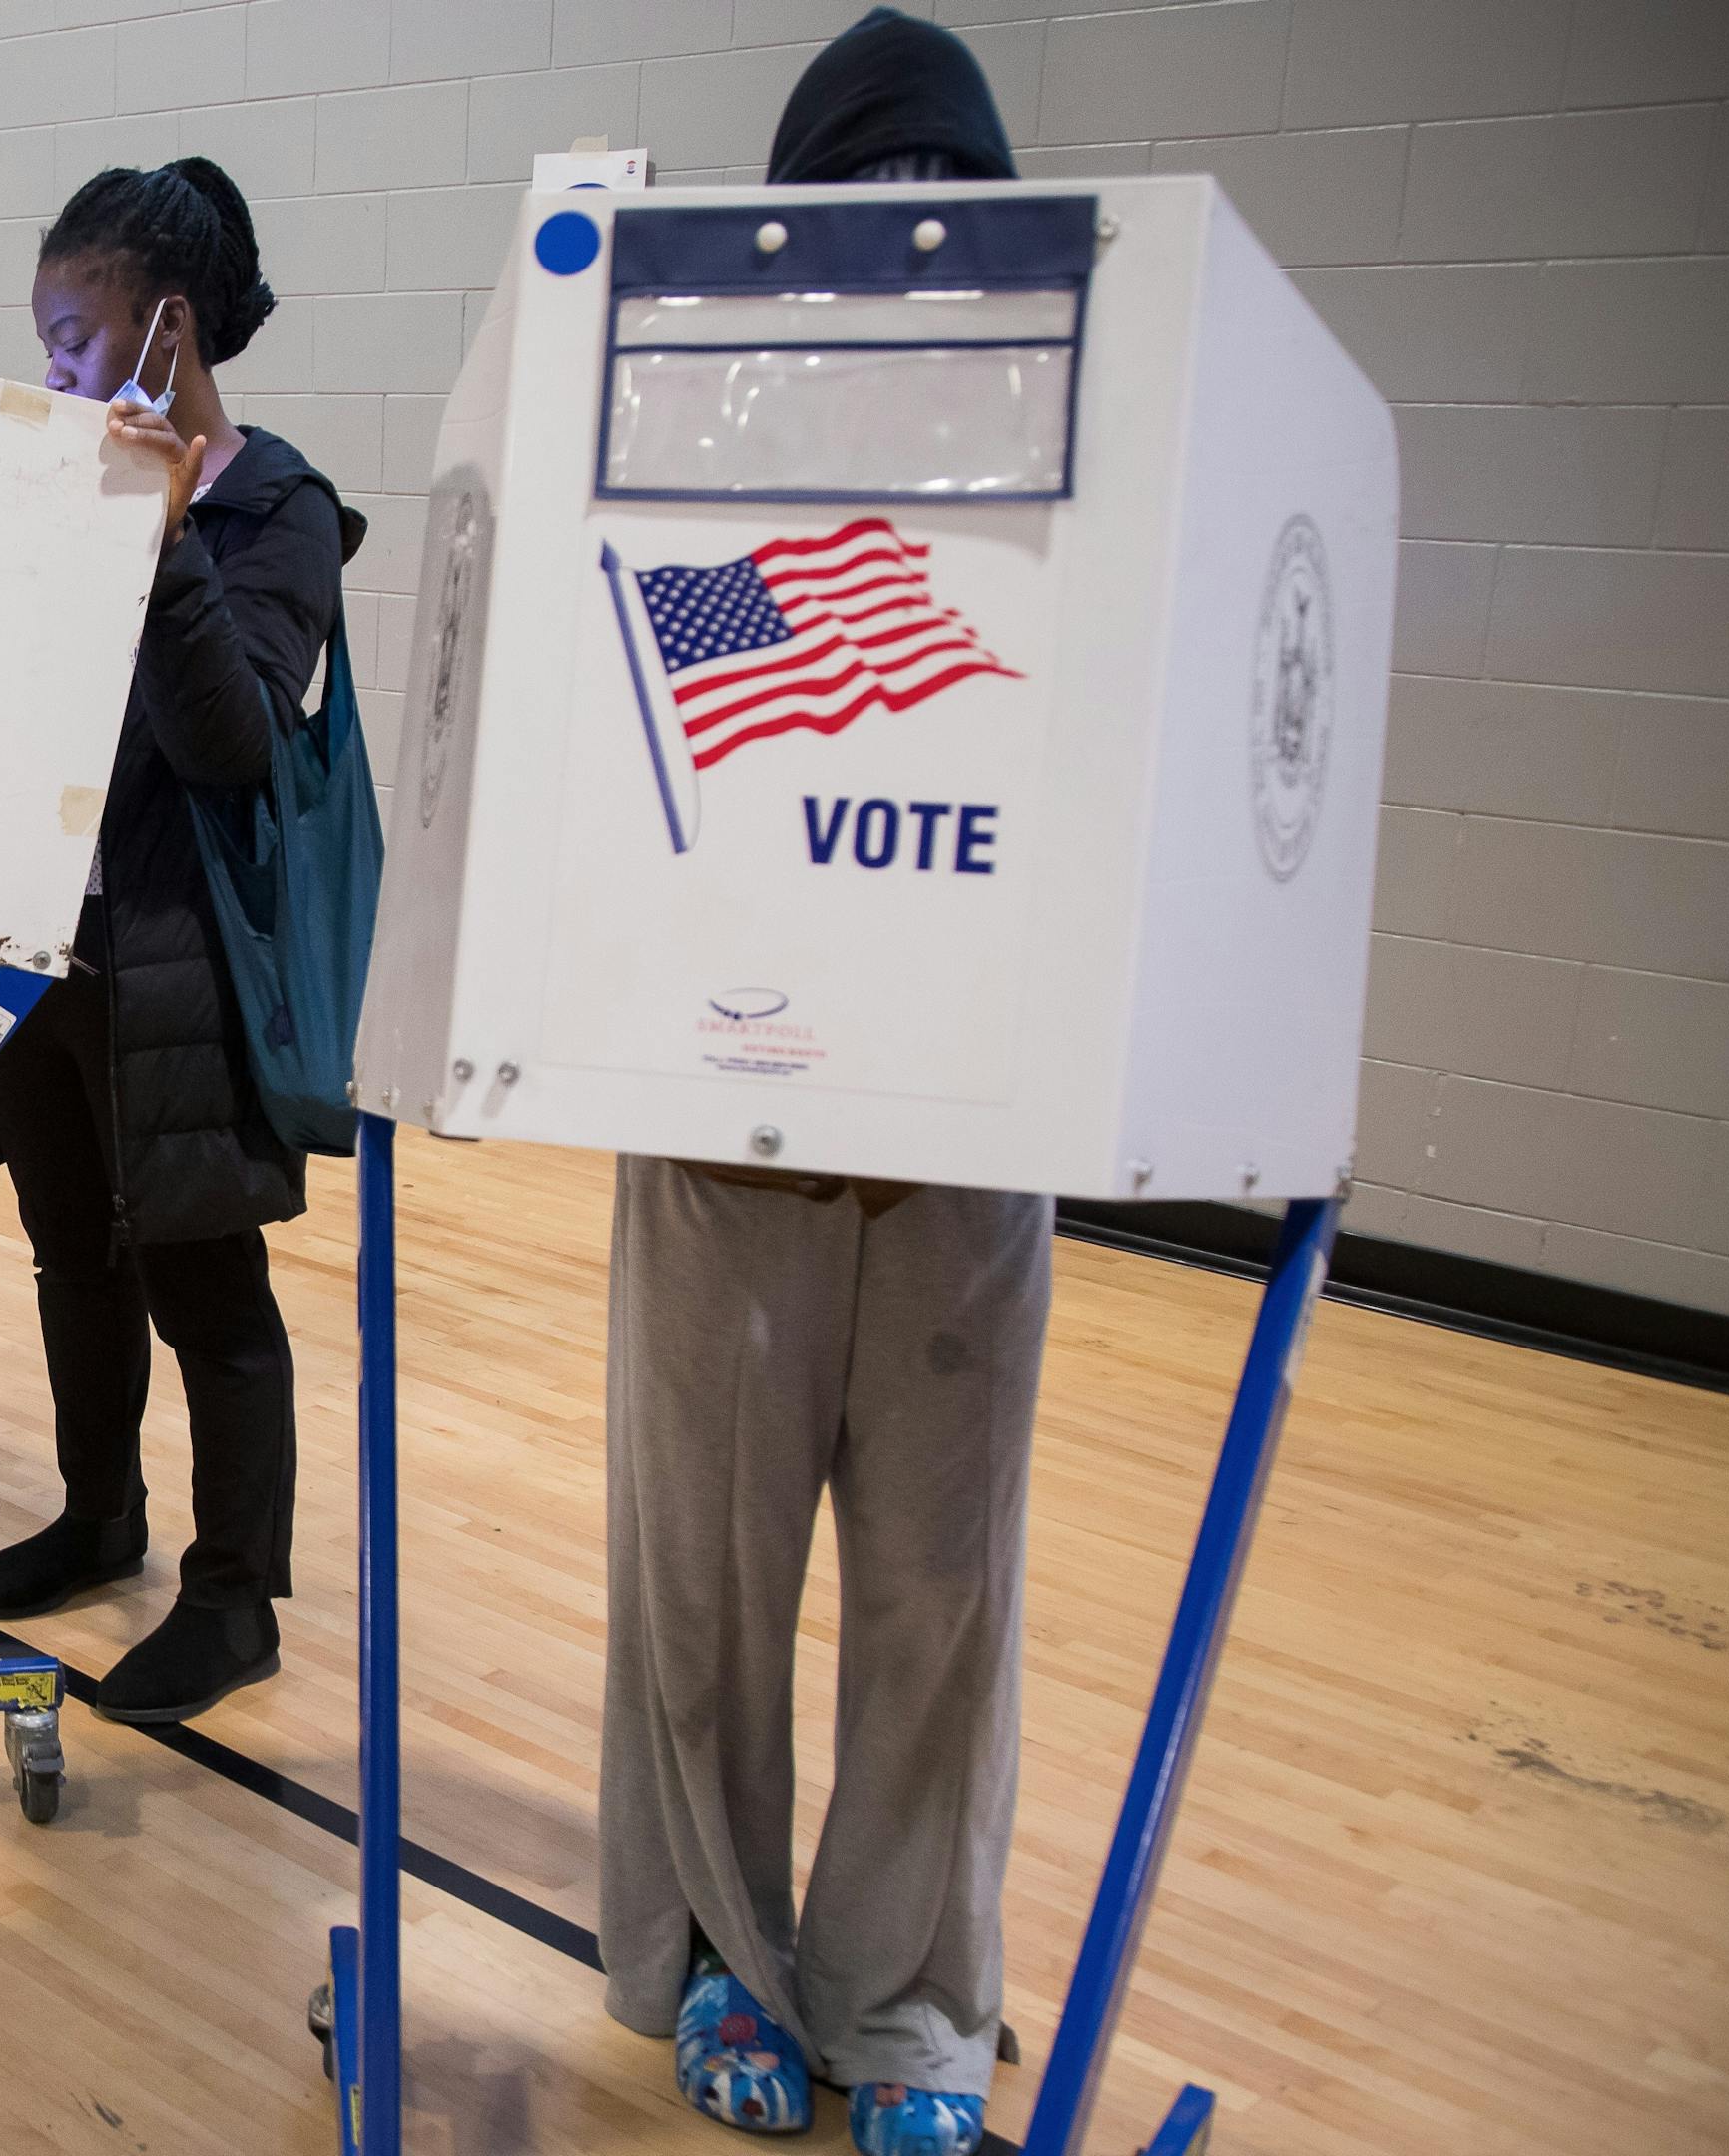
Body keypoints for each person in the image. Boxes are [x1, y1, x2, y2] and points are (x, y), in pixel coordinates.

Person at [594, 18, 1039, 2156]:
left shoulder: (1068, 495)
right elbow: (637, 782)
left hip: (966, 1143)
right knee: (707, 1588)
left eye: (936, 203)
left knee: (942, 1603)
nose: (900, 245)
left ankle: (917, 2009)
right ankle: (717, 1962)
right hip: (727, 1134)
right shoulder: (692, 475)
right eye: (857, 208)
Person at [0, 156, 353, 1725]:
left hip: (182, 964)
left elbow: (230, 743)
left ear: (167, 334)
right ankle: (100, 1510)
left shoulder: (277, 510)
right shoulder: (54, 481)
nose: (49, 370)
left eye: (73, 336)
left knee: (207, 1290)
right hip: (46, 947)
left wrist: (164, 537)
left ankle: (234, 1597)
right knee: (73, 1257)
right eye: (39, 337)